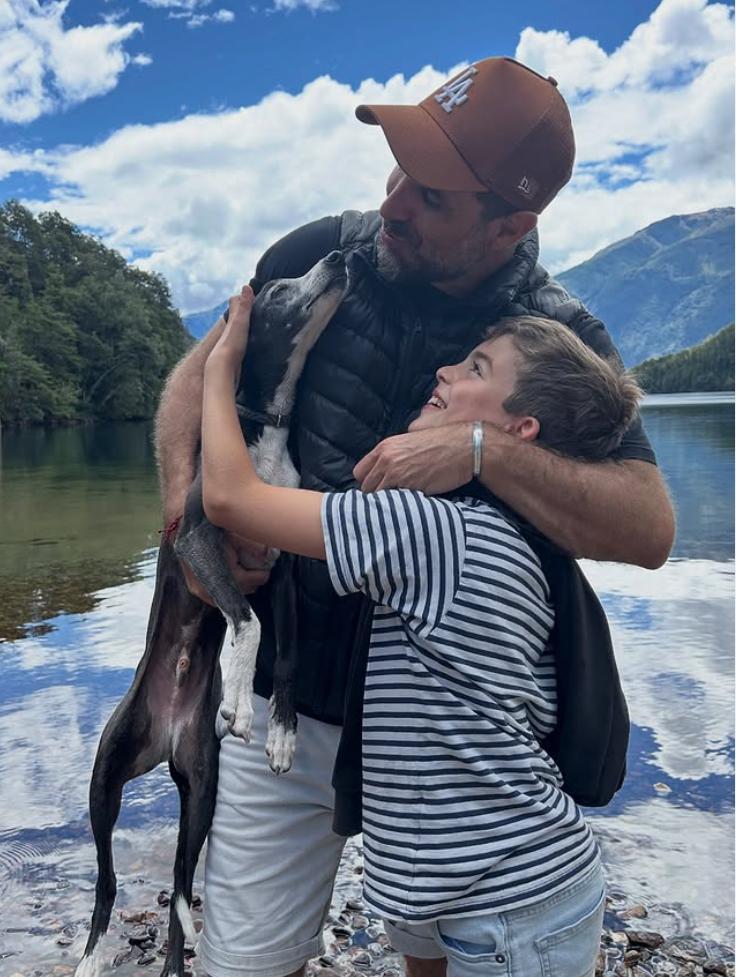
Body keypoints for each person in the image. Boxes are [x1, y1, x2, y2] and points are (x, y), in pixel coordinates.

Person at [155, 56, 675, 977]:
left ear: (510, 227)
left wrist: (485, 454)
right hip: (290, 697)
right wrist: (184, 516)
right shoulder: (327, 252)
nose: (393, 204)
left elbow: (651, 526)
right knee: (242, 963)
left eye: (431, 197)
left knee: (438, 947)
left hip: (452, 744)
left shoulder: (557, 341)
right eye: (396, 171)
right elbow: (201, 374)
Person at [198, 291, 643, 977]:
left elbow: (231, 497)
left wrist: (219, 371)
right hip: (514, 892)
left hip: (511, 912)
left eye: (475, 369)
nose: (444, 371)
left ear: (518, 431)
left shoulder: (429, 531)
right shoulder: (519, 535)